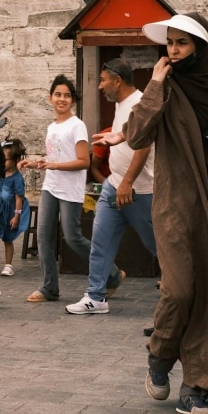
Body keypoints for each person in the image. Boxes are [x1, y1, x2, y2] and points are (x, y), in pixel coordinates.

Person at [98, 12, 208, 414]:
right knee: (180, 290)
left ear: (200, 47)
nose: (172, 50)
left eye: (182, 43)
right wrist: (153, 83)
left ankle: (196, 389)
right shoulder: (164, 86)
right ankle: (160, 354)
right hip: (175, 202)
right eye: (169, 42)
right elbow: (136, 134)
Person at [19, 75, 121, 304]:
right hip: (51, 187)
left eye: (67, 95)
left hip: (71, 190)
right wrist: (36, 162)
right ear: (50, 98)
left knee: (73, 237)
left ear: (72, 100)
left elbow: (83, 161)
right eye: (58, 94)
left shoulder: (77, 126)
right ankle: (50, 289)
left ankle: (113, 274)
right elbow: (56, 156)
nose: (62, 99)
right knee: (44, 237)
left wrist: (53, 165)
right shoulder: (52, 126)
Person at [66, 59, 155, 315]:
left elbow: (144, 146)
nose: (100, 86)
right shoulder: (121, 104)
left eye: (103, 80)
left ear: (117, 80)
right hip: (113, 186)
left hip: (139, 191)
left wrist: (127, 182)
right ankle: (95, 297)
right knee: (101, 243)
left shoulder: (138, 104)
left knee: (159, 246)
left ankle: (190, 290)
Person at [0, 137, 29, 277]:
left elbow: (18, 198)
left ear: (15, 161)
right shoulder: (1, 174)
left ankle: (8, 265)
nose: (1, 162)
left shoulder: (17, 179)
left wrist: (16, 215)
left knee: (7, 238)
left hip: (9, 213)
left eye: (4, 159)